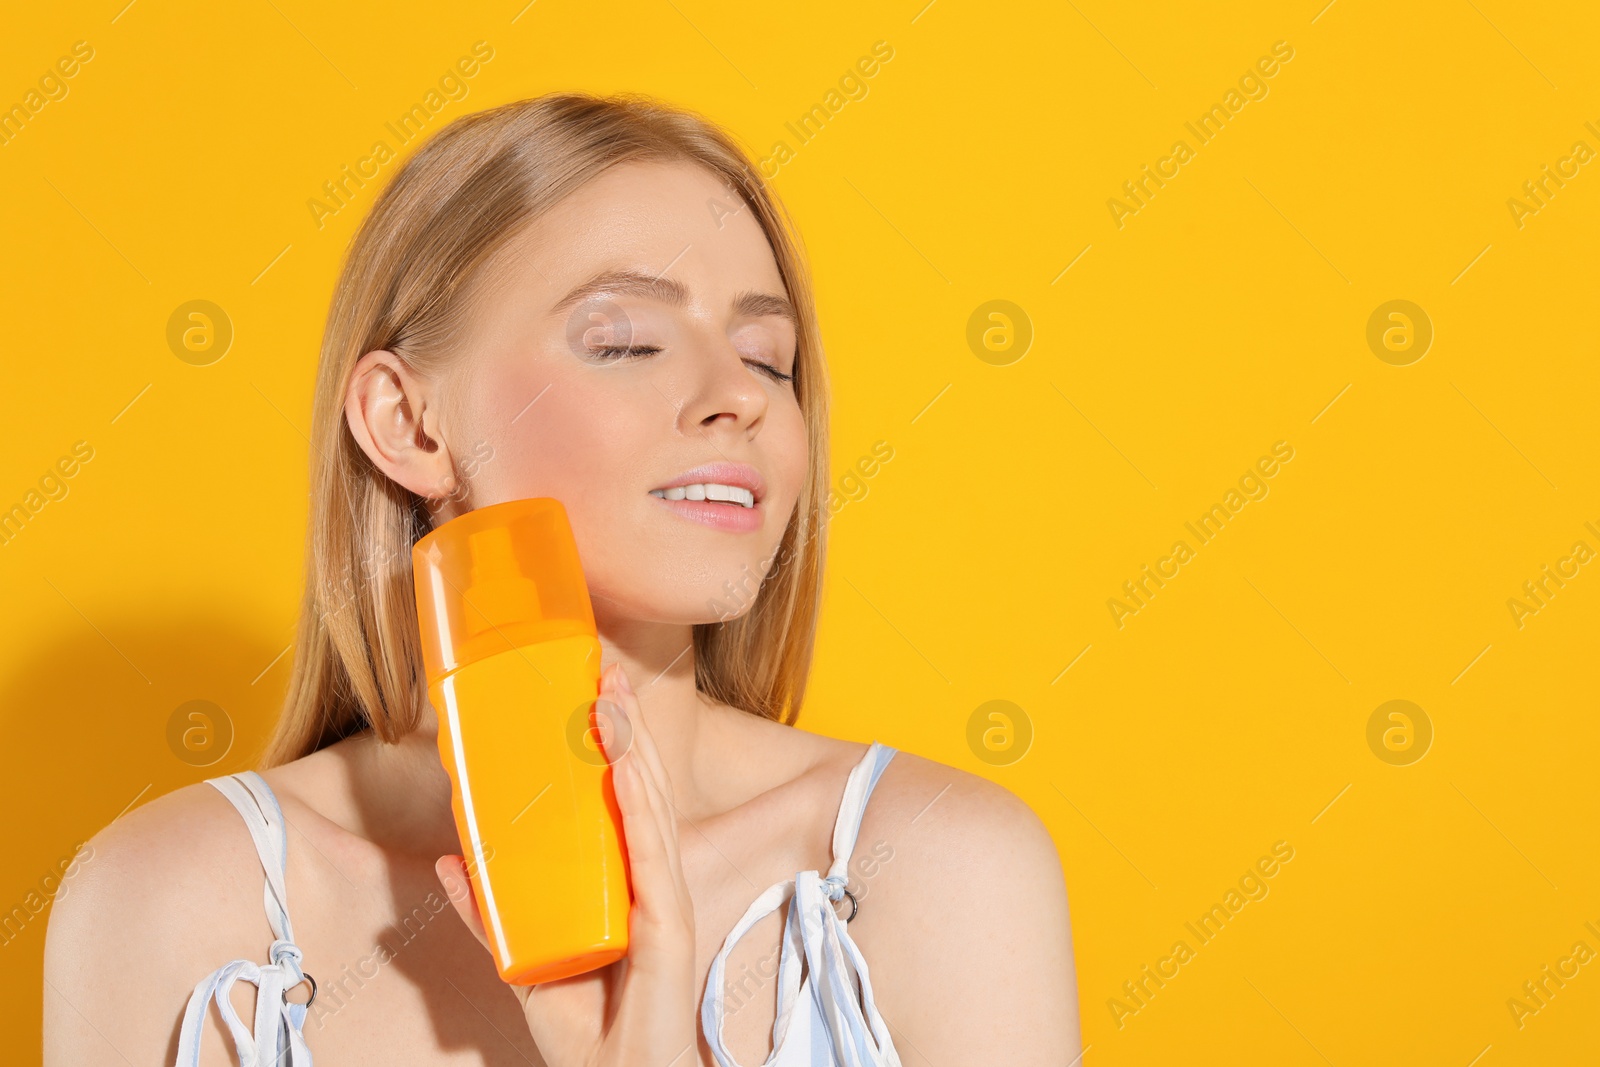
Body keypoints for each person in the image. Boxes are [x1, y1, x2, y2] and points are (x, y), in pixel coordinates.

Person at [43, 91, 1080, 1066]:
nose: (738, 397)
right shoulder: (171, 903)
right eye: (626, 341)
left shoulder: (941, 871)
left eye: (768, 357)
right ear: (409, 423)